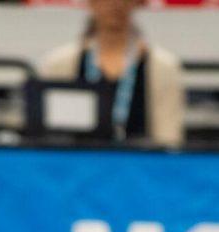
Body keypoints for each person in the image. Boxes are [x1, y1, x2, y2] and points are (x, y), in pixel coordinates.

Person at [38, 0, 185, 148]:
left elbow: (169, 141)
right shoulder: (59, 65)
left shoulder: (163, 67)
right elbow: (51, 138)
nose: (115, 4)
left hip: (141, 166)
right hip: (77, 164)